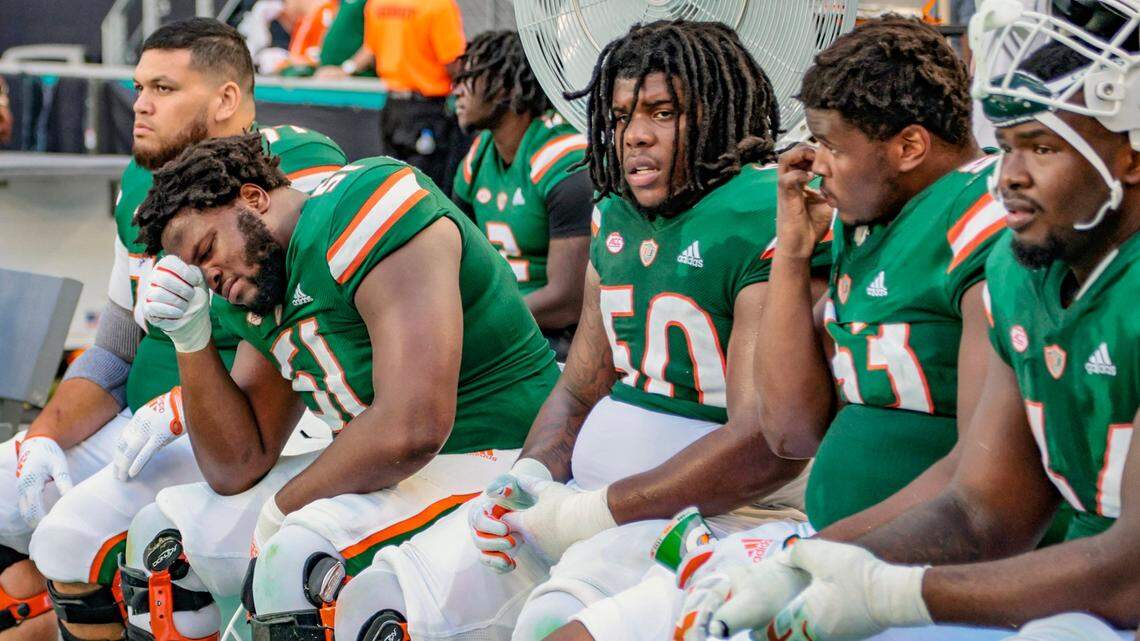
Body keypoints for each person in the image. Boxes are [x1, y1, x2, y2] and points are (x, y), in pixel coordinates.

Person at [331, 19, 830, 641]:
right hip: (591, 501)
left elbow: (764, 443)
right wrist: (529, 476)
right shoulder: (616, 210)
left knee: (553, 621)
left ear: (719, 112)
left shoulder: (760, 210)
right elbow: (578, 388)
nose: (634, 135)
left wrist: (595, 511)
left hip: (727, 517)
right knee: (377, 598)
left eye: (662, 112)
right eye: (619, 116)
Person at [541, 15, 1009, 641]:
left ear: (909, 148)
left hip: (926, 569)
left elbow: (977, 484)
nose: (815, 163)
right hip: (828, 545)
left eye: (833, 147)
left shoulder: (985, 221)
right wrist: (791, 253)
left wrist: (803, 561)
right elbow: (791, 429)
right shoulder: (865, 219)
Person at [684, 3, 1140, 639]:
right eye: (1007, 146)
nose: (1009, 177)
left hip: (1079, 592)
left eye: (1041, 147)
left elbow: (1127, 570)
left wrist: (895, 593)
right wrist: (809, 567)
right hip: (1053, 587)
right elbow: (982, 508)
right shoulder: (1022, 269)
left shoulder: (992, 237)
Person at [119, 131, 560, 641]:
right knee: (163, 538)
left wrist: (282, 507)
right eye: (197, 269)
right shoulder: (257, 286)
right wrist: (189, 338)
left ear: (254, 197)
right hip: (391, 473)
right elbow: (236, 465)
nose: (210, 275)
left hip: (497, 452)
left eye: (207, 249)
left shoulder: (364, 206)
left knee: (296, 561)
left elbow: (413, 427)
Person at [4, 18, 345, 641]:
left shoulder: (294, 172)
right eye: (138, 87)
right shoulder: (141, 181)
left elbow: (295, 339)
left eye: (163, 88)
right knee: (6, 486)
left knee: (72, 535)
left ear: (225, 99)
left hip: (239, 426)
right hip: (141, 423)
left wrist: (190, 406)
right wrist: (43, 436)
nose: (138, 104)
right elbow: (113, 350)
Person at [452, 30, 593, 359]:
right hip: (503, 323)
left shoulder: (563, 160)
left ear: (506, 86)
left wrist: (475, 323)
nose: (456, 90)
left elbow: (567, 302)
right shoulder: (479, 155)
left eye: (470, 77)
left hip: (557, 340)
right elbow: (453, 257)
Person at [320, 0, 466, 190]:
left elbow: (370, 49)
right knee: (429, 188)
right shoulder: (438, 5)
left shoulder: (377, 3)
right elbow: (452, 61)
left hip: (393, 109)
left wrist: (346, 69)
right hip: (428, 110)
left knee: (395, 183)